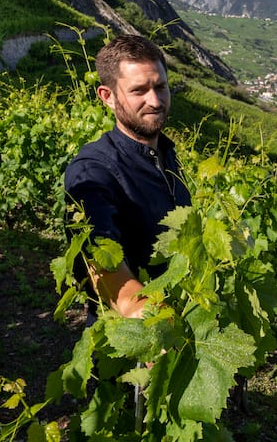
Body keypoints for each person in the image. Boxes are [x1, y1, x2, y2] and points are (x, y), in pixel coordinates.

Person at [64, 34, 191, 320]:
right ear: (107, 96)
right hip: (129, 344)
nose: (155, 100)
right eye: (139, 91)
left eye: (160, 87)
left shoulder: (167, 155)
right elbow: (99, 254)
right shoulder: (92, 171)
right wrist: (138, 310)